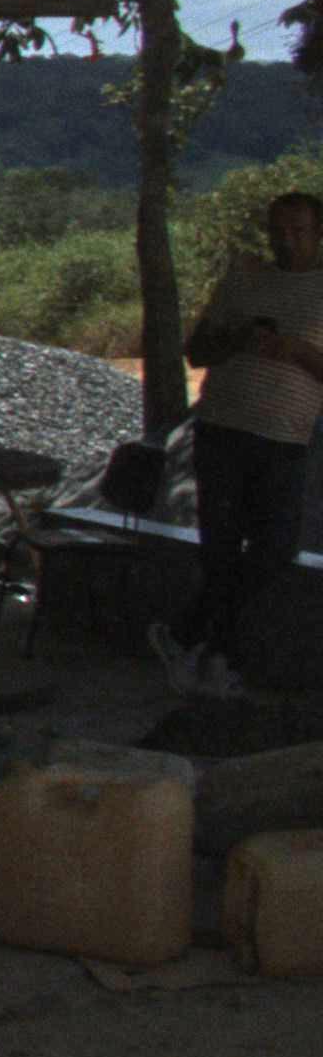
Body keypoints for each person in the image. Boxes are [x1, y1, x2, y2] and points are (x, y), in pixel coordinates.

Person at [162, 191, 323, 696]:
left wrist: (296, 352)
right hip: (222, 429)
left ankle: (184, 633)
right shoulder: (245, 278)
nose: (286, 241)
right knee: (222, 549)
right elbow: (197, 351)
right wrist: (237, 340)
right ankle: (220, 661)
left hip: (284, 437)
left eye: (298, 231)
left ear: (319, 233)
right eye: (278, 230)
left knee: (275, 549)